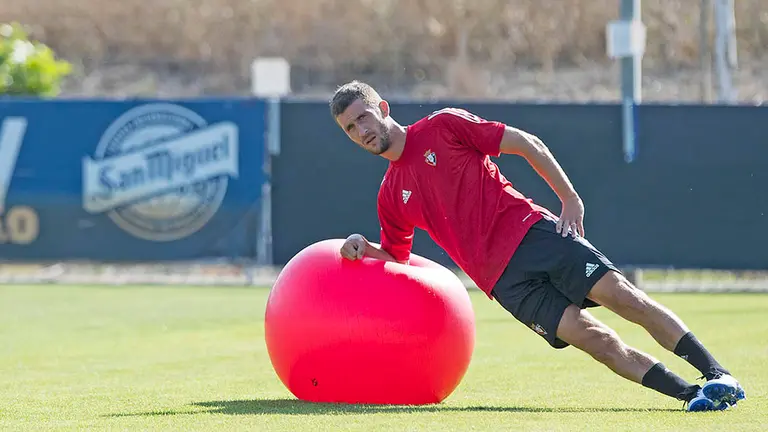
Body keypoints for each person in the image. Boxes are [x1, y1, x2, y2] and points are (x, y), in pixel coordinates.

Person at [328, 80, 746, 412]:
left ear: (382, 109)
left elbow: (527, 144)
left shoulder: (442, 126)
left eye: (364, 117)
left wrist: (570, 198)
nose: (361, 131)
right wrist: (363, 247)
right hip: (506, 285)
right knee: (594, 340)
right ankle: (692, 396)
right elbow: (397, 256)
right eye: (350, 128)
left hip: (533, 235)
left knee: (626, 299)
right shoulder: (389, 195)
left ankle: (717, 374)